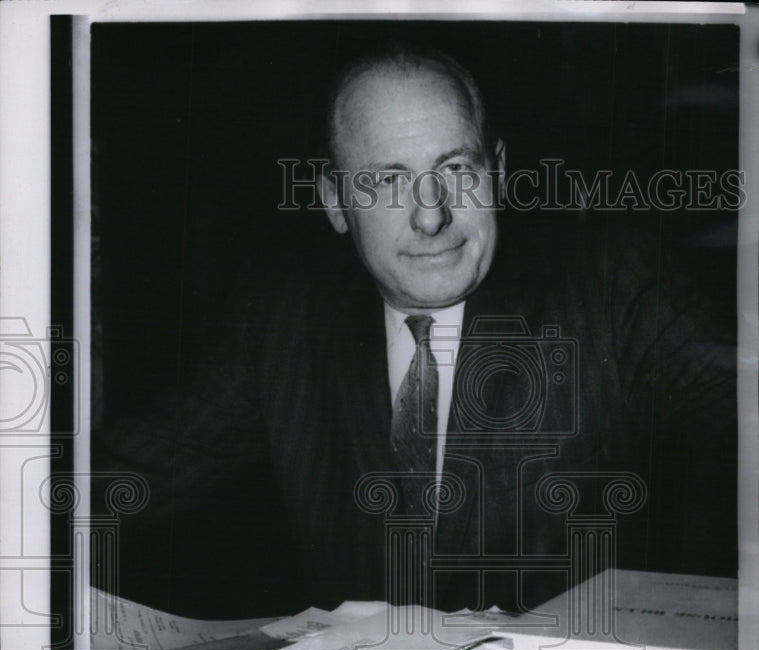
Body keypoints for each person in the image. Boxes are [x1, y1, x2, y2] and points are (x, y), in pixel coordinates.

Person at [94, 44, 737, 618]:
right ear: (335, 202)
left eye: (456, 169)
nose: (430, 215)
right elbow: (122, 480)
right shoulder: (284, 321)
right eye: (387, 181)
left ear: (500, 173)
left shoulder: (612, 285)